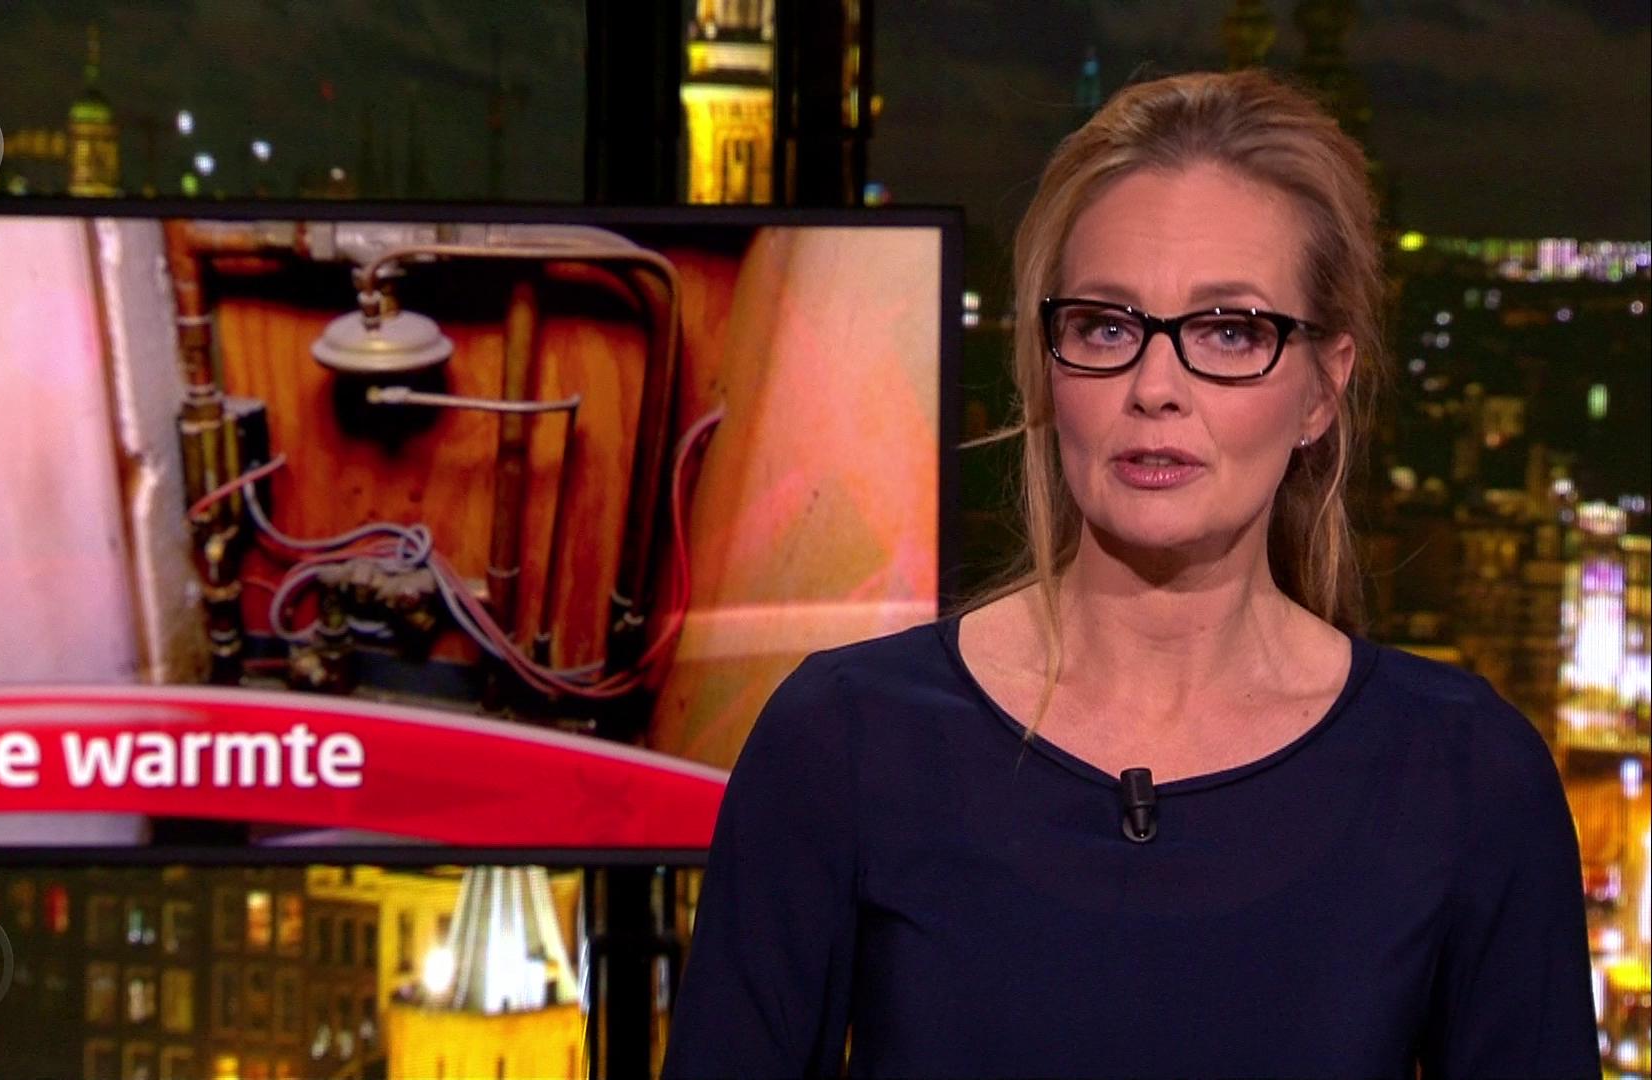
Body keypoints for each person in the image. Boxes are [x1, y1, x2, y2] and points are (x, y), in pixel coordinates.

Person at [660, 69, 1600, 1079]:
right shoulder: (841, 743)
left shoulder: (1467, 779)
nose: (1156, 386)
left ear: (1323, 390)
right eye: (1106, 327)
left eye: (1229, 331)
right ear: (1047, 366)